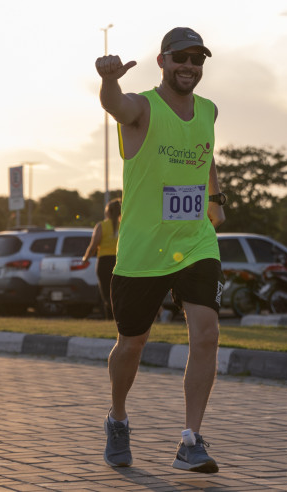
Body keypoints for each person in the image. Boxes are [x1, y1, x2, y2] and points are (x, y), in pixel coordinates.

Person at [95, 27, 227, 474]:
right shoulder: (142, 107)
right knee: (132, 344)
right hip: (143, 248)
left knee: (206, 334)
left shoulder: (208, 110)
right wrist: (109, 80)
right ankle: (117, 418)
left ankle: (190, 440)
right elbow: (116, 104)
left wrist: (215, 198)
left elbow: (205, 152)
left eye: (197, 59)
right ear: (163, 62)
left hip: (194, 242)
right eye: (181, 58)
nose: (190, 65)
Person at [82, 198, 121, 320]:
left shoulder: (101, 226)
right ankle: (120, 318)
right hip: (120, 261)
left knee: (106, 292)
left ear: (107, 212)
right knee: (118, 292)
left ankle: (110, 318)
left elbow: (93, 245)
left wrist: (85, 258)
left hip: (104, 261)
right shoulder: (124, 226)